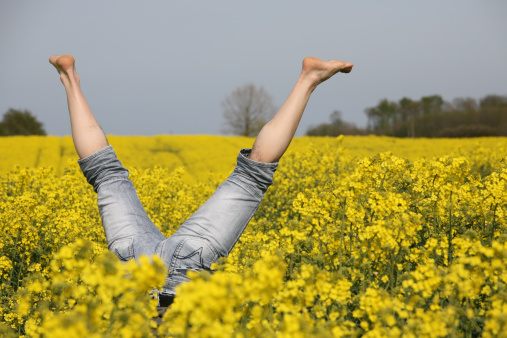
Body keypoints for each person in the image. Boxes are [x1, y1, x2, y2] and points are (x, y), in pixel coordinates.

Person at [49, 54, 354, 307]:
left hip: (182, 271)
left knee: (250, 177)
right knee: (107, 175)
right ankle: (69, 79)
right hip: (133, 264)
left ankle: (308, 79)